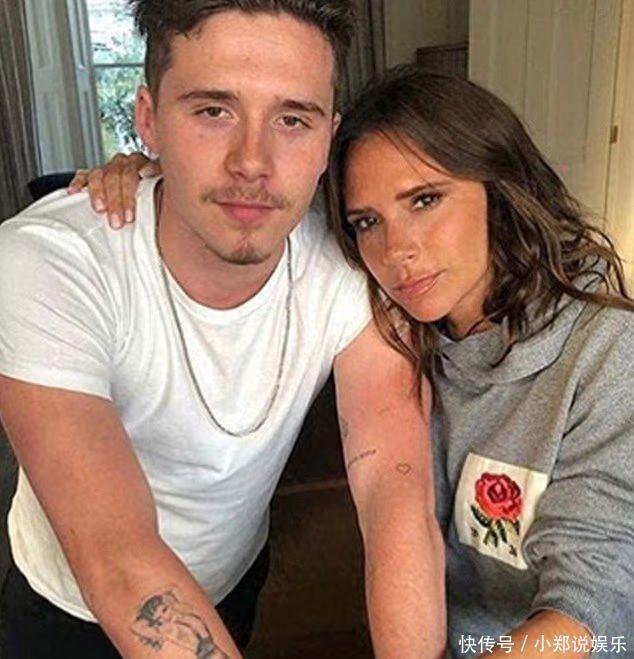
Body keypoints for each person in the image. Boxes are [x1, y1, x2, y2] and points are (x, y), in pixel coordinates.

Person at [94, 68, 634, 658]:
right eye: (367, 222)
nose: (397, 250)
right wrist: (158, 187)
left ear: (500, 185)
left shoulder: (608, 350)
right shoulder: (392, 328)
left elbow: (596, 599)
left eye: (425, 200)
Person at [0, 4, 445, 658]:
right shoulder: (46, 262)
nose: (252, 162)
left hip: (232, 578)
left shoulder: (354, 265)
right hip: (66, 607)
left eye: (292, 120)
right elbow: (117, 556)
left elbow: (396, 493)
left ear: (329, 137)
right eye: (213, 111)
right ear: (149, 119)